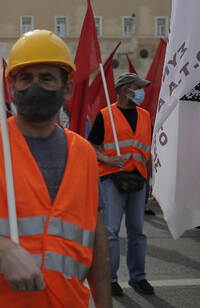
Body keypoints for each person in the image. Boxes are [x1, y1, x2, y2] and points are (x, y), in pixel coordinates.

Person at [0, 30, 111, 307]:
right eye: (25, 78)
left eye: (46, 78)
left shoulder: (83, 152)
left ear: (66, 88)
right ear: (12, 87)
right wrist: (1, 247)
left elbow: (98, 241)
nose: (34, 87)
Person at [87, 72, 154, 296]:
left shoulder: (145, 115)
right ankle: (110, 279)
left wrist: (153, 182)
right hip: (112, 179)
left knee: (137, 231)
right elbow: (91, 147)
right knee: (111, 233)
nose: (142, 91)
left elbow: (148, 151)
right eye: (139, 87)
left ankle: (138, 277)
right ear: (126, 90)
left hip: (139, 180)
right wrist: (107, 159)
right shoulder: (105, 116)